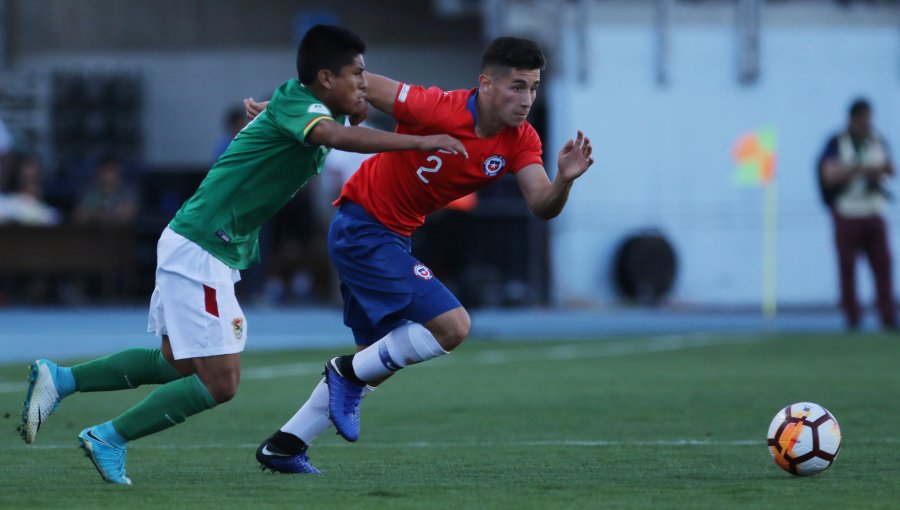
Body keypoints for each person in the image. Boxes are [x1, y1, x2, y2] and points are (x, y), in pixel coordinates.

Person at [18, 24, 466, 485]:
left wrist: (296, 110)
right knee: (221, 382)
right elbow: (334, 135)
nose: (365, 83)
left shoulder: (298, 103)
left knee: (177, 364)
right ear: (326, 77)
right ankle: (109, 436)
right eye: (357, 73)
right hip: (202, 246)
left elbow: (333, 128)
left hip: (202, 244)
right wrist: (419, 140)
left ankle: (62, 379)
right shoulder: (303, 107)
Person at [251, 36, 594, 474]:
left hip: (390, 237)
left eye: (533, 88)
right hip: (363, 229)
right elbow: (348, 81)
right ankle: (344, 374)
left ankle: (285, 445)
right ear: (486, 84)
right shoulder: (436, 108)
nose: (526, 99)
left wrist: (564, 180)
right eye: (517, 87)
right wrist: (279, 108)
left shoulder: (521, 139)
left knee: (377, 360)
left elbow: (542, 205)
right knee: (452, 327)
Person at [818, 98, 896, 330]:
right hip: (848, 213)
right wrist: (861, 169)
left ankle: (888, 316)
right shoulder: (837, 142)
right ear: (852, 119)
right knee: (847, 268)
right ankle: (852, 318)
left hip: (873, 211)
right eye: (863, 119)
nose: (867, 124)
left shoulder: (877, 140)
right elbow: (829, 175)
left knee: (883, 266)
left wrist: (879, 171)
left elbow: (891, 169)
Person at [73, 156, 139, 226]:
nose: (107, 175)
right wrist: (112, 214)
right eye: (104, 170)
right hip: (92, 232)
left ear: (119, 172)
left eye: (110, 170)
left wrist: (95, 212)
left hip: (122, 233)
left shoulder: (127, 190)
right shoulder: (91, 191)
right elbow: (80, 216)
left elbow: (127, 218)